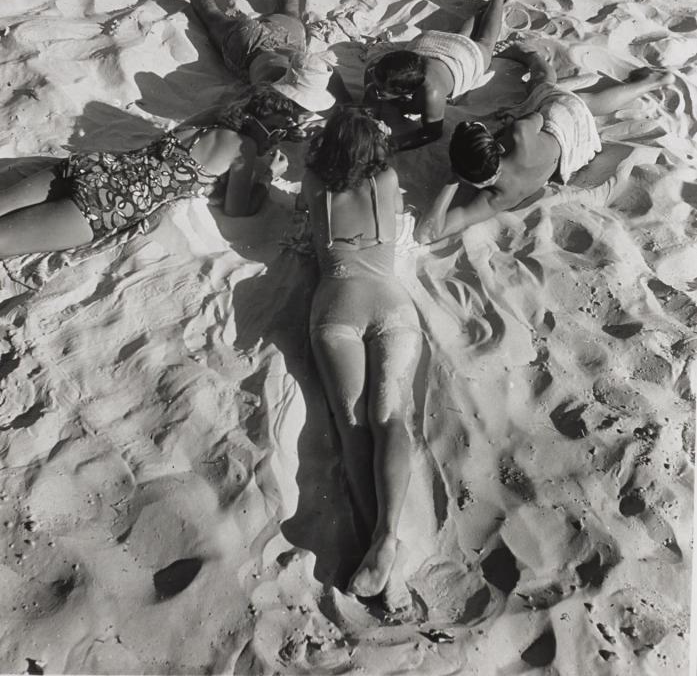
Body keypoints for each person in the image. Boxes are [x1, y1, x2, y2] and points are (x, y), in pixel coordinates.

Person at [299, 106, 421, 613]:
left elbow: (307, 223)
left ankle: (384, 558)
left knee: (353, 428)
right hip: (391, 304)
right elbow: (396, 203)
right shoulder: (385, 180)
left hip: (337, 307)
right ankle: (387, 538)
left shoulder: (314, 184)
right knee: (390, 418)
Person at [0, 85, 303, 257]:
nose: (278, 140)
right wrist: (267, 176)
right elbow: (238, 209)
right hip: (108, 205)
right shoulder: (244, 147)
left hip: (95, 165)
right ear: (257, 123)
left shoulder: (211, 118)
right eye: (278, 132)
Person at [414, 44, 676, 242]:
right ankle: (533, 56)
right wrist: (512, 120)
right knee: (545, 86)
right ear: (497, 147)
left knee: (562, 95)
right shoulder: (519, 135)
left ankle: (532, 55)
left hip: (572, 155)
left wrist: (452, 180)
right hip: (561, 123)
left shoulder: (498, 198)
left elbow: (428, 233)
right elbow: (537, 117)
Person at [167, 0, 352, 112]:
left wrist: (346, 98)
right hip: (247, 49)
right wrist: (346, 101)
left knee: (290, 11)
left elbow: (331, 73)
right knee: (212, 17)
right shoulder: (270, 92)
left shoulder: (310, 70)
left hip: (286, 40)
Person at [363, 0, 509, 150]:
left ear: (406, 91)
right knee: (459, 38)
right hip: (429, 44)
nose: (374, 88)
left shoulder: (432, 93)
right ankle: (487, 10)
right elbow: (368, 101)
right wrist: (370, 116)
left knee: (485, 43)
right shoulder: (378, 70)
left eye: (381, 91)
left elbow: (431, 132)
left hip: (458, 57)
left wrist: (391, 144)